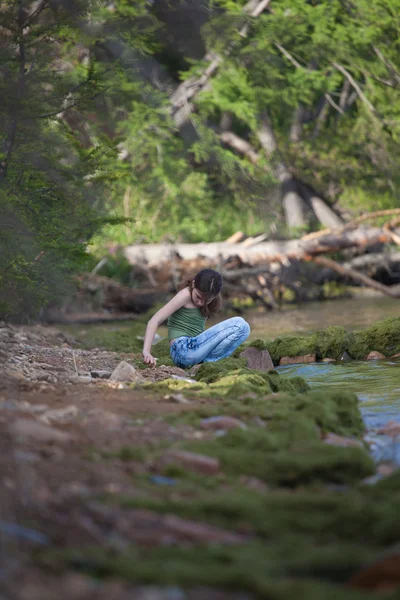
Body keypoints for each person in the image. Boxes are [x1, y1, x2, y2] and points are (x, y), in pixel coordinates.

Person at [142, 268, 250, 369]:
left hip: (196, 351)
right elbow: (154, 320)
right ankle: (207, 361)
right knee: (239, 323)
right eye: (198, 296)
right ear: (193, 284)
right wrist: (146, 351)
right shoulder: (185, 295)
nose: (200, 303)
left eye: (206, 300)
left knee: (245, 330)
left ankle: (206, 363)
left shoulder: (209, 301)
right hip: (182, 350)